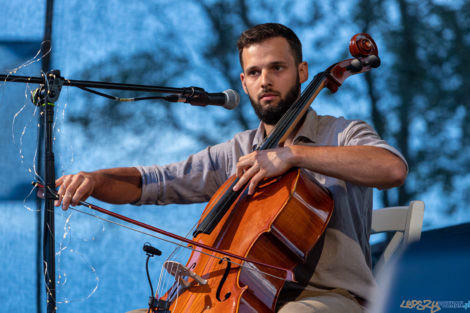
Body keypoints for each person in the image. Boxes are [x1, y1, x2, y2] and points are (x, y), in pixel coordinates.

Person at [55, 23, 407, 312]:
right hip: (242, 296)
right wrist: (94, 179)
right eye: (254, 72)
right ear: (243, 82)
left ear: (302, 72)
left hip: (331, 299)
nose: (264, 81)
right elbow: (155, 182)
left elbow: (391, 168)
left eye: (277, 68)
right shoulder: (238, 152)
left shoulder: (343, 132)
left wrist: (294, 156)